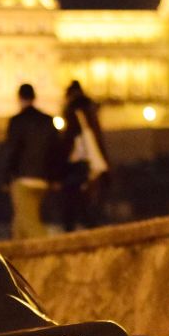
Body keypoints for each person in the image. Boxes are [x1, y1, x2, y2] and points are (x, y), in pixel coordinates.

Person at [3, 83, 60, 239]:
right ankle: (18, 256)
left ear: (19, 98)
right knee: (20, 220)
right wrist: (54, 177)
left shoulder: (17, 121)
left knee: (29, 221)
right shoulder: (48, 121)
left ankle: (49, 250)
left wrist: (6, 178)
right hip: (43, 178)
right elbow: (55, 150)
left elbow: (12, 151)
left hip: (23, 178)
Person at [60, 80, 111, 231]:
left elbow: (71, 138)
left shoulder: (74, 111)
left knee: (73, 206)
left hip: (81, 164)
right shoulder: (91, 111)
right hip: (96, 163)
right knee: (89, 207)